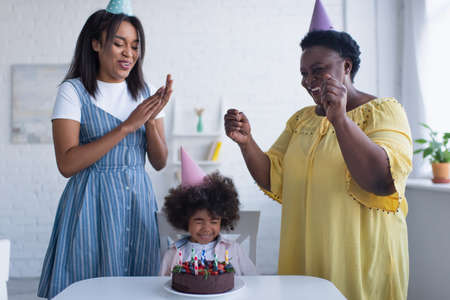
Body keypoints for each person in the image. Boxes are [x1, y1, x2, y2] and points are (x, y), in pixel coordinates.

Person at [224, 1, 412, 299]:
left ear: (346, 66)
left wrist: (339, 118)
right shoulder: (302, 120)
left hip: (359, 261)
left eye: (318, 70)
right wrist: (247, 142)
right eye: (303, 73)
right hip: (305, 258)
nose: (308, 81)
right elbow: (273, 177)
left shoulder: (384, 112)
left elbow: (381, 180)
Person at [37, 1, 173, 298]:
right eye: (119, 43)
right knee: (87, 285)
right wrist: (126, 126)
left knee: (139, 286)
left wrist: (148, 121)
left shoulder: (147, 92)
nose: (129, 53)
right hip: (90, 203)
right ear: (96, 44)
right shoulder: (72, 92)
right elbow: (67, 163)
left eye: (135, 46)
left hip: (138, 202)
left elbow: (160, 162)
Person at [159, 147, 257, 276]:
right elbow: (161, 285)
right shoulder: (173, 253)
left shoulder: (234, 250)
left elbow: (254, 280)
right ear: (185, 219)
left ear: (222, 220)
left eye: (214, 221)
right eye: (199, 221)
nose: (206, 228)